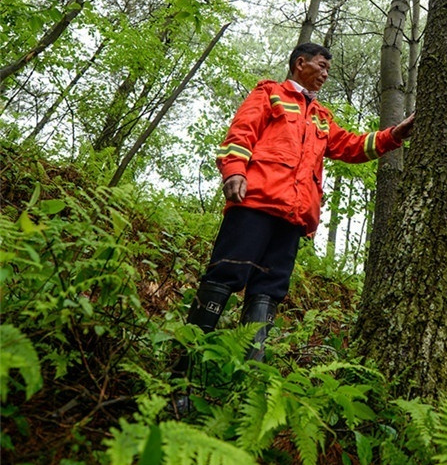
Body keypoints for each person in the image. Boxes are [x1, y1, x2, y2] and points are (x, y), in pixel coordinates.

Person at [173, 43, 414, 403]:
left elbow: (350, 146)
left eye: (329, 69)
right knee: (223, 278)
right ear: (299, 64)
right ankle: (180, 379)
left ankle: (245, 390)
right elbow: (240, 134)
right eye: (321, 66)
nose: (325, 73)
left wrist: (393, 135)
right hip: (253, 203)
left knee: (268, 293)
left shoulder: (321, 117)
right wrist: (234, 172)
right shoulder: (269, 93)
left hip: (293, 217)